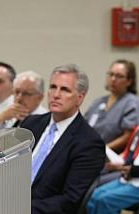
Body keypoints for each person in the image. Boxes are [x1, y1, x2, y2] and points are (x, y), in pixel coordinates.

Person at [20, 64, 105, 214]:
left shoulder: (89, 143)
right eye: (53, 87)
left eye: (64, 89)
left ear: (80, 97)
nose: (56, 94)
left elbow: (69, 201)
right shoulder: (31, 123)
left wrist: (20, 209)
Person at [84, 59, 139, 153]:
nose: (113, 79)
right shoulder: (98, 102)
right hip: (89, 154)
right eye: (111, 74)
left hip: (114, 160)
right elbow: (84, 127)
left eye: (119, 76)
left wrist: (103, 149)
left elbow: (129, 136)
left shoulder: (132, 104)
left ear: (129, 81)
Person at [87, 120, 139, 214]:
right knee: (93, 196)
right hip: (129, 176)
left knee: (104, 200)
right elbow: (137, 155)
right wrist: (124, 166)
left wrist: (131, 170)